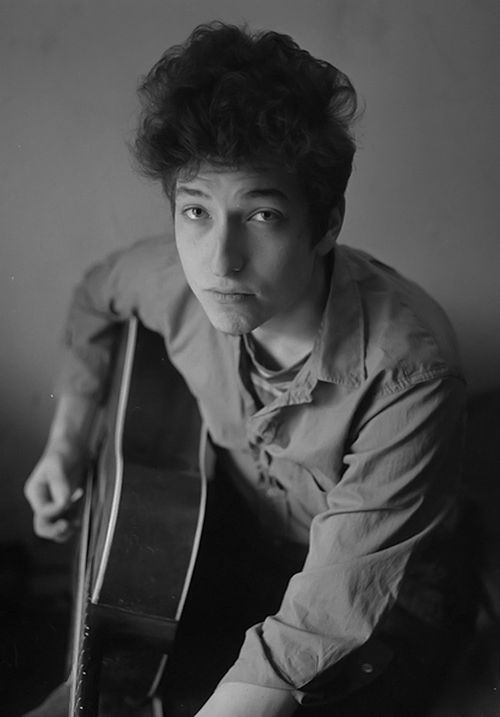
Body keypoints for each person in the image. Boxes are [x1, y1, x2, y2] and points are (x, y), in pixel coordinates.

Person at [24, 21, 477, 717]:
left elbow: (324, 616)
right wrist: (68, 439)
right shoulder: (174, 276)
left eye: (261, 215)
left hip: (386, 600)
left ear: (325, 224)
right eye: (196, 211)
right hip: (242, 545)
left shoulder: (411, 373)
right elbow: (96, 296)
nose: (219, 260)